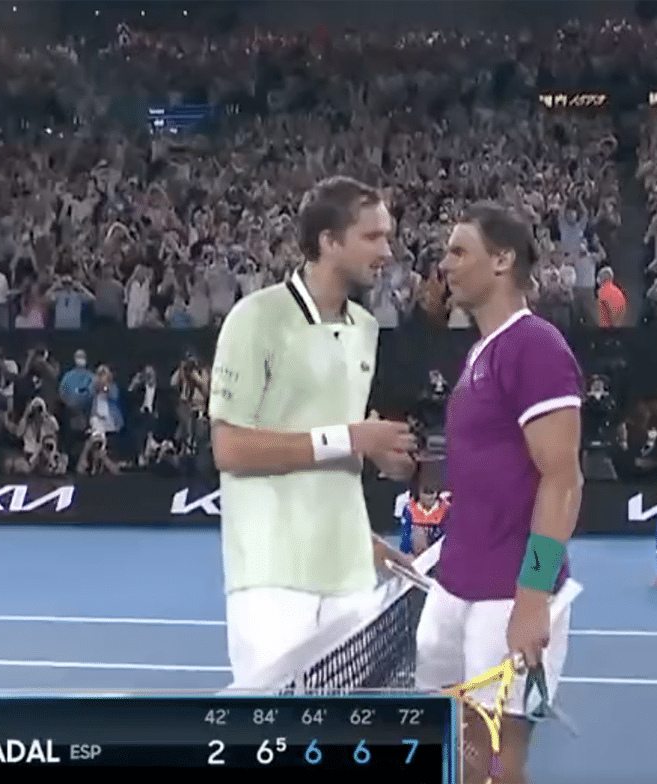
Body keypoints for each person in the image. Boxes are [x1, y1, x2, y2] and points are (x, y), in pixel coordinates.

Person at [209, 176, 418, 689]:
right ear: (328, 241)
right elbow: (230, 448)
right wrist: (353, 438)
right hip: (272, 578)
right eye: (372, 238)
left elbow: (330, 466)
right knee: (270, 742)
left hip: (349, 578)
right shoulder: (255, 318)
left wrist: (365, 542)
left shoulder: (366, 328)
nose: (387, 252)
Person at [415, 203, 585, 784]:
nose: (446, 265)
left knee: (496, 763)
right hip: (457, 583)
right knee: (459, 749)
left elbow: (564, 481)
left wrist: (534, 594)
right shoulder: (480, 353)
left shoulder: (535, 346)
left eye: (459, 251)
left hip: (507, 595)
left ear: (503, 260)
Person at [398, 483, 450, 556]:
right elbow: (405, 537)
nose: (430, 497)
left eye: (432, 492)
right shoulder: (409, 508)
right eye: (426, 492)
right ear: (418, 492)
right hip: (416, 557)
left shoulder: (446, 509)